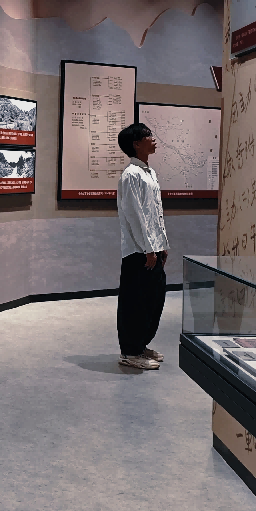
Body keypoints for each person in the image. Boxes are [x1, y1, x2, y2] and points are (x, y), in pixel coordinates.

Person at [116, 123, 169, 371]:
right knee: (135, 302)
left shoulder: (150, 173)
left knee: (153, 299)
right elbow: (135, 216)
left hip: (152, 249)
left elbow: (156, 212)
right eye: (148, 136)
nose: (153, 139)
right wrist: (148, 248)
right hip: (138, 251)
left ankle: (140, 344)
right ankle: (130, 351)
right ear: (136, 144)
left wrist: (162, 244)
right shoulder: (131, 175)